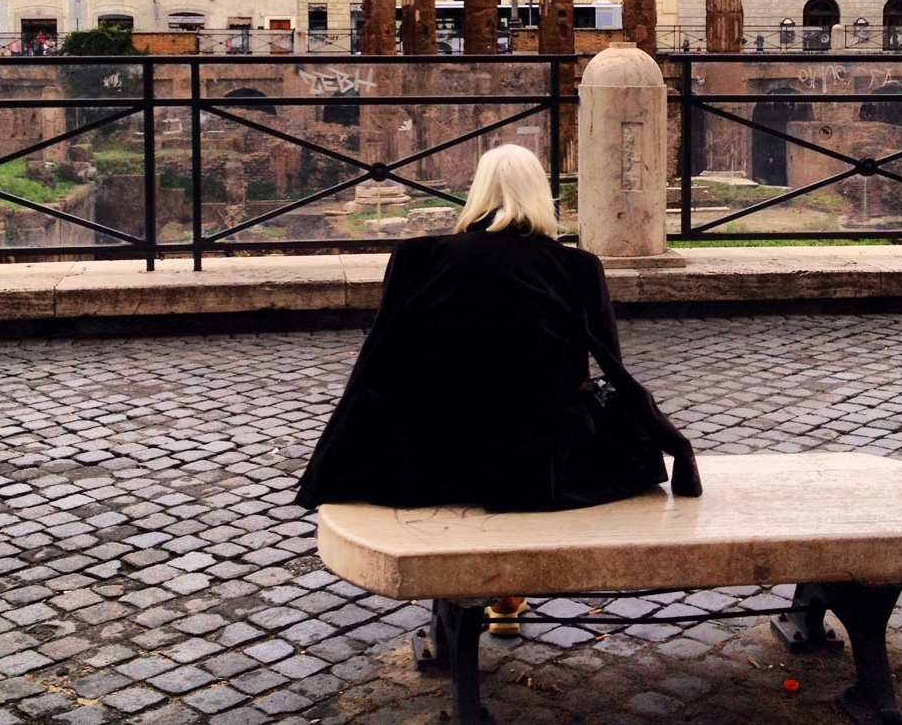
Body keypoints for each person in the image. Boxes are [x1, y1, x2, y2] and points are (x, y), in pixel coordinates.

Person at [294, 144, 702, 517]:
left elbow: (379, 355)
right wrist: (670, 443)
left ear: (476, 192)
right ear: (542, 194)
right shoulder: (576, 267)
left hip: (432, 452)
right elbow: (609, 366)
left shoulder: (417, 257)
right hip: (531, 459)